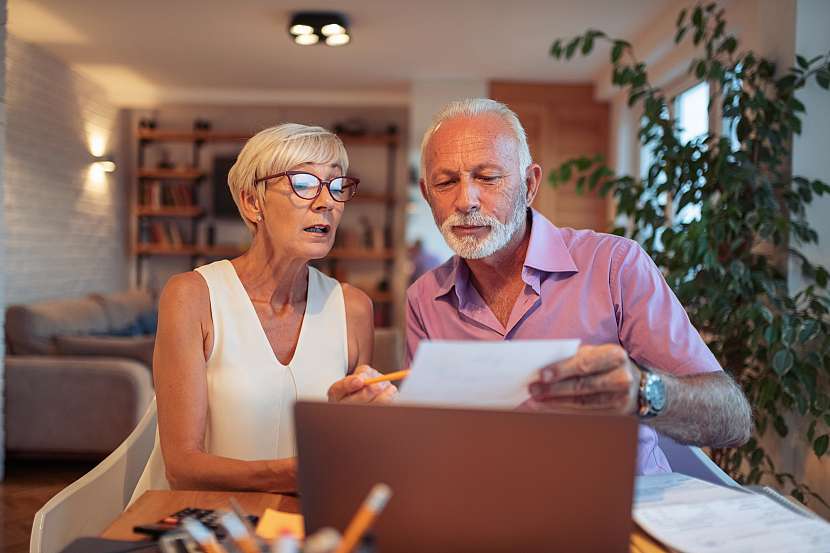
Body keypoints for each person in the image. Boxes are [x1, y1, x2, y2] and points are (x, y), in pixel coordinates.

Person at [406, 99, 751, 474]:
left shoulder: (615, 265)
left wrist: (643, 392)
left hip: (623, 510)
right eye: (446, 182)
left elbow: (731, 419)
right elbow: (429, 436)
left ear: (530, 184)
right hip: (495, 510)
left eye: (488, 178)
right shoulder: (424, 299)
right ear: (427, 195)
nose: (465, 201)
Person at [132, 123, 396, 498]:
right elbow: (182, 468)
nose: (327, 202)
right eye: (304, 184)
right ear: (252, 202)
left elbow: (347, 445)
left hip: (295, 524)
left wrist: (366, 423)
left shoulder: (353, 308)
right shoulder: (191, 295)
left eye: (337, 187)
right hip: (196, 522)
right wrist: (303, 474)